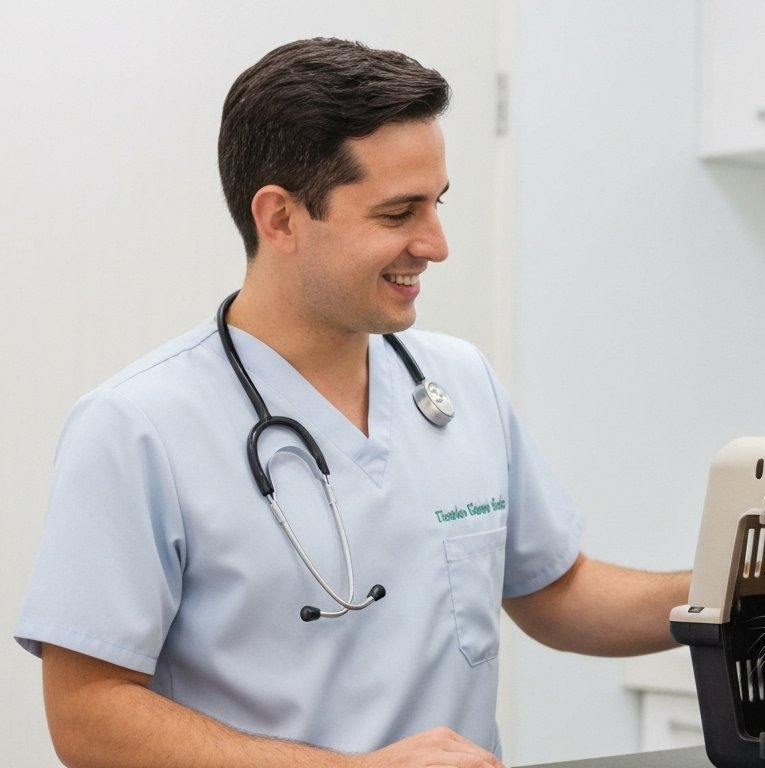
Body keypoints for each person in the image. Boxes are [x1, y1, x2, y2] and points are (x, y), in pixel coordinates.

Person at [14, 37, 689, 768]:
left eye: (438, 205)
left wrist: (751, 585)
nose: (436, 244)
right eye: (399, 214)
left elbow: (557, 594)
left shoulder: (459, 383)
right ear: (280, 219)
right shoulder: (137, 427)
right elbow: (88, 715)